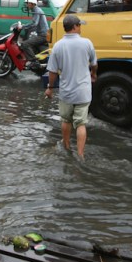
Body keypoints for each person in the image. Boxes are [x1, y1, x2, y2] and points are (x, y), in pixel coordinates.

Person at [44, 14, 97, 159]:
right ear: (75, 27)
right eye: (79, 25)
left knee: (66, 120)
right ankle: (81, 155)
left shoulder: (58, 46)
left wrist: (50, 88)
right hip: (83, 92)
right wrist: (93, 74)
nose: (80, 28)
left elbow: (53, 71)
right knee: (81, 124)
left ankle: (67, 146)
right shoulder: (87, 43)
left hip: (66, 92)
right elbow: (94, 64)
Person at [20, 0, 49, 68]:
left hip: (42, 35)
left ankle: (33, 61)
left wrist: (23, 26)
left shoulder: (36, 10)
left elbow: (34, 23)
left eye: (27, 3)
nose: (26, 5)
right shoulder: (35, 9)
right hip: (42, 34)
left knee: (25, 44)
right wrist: (25, 25)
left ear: (31, 3)